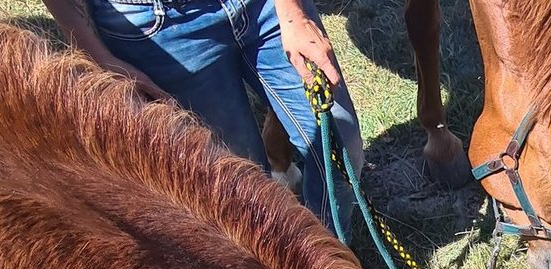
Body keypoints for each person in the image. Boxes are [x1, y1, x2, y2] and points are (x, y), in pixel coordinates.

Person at [42, 0, 363, 241]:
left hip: (263, 7)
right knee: (236, 187)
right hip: (153, 28)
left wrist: (293, 12)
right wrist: (99, 57)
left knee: (341, 144)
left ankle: (330, 263)